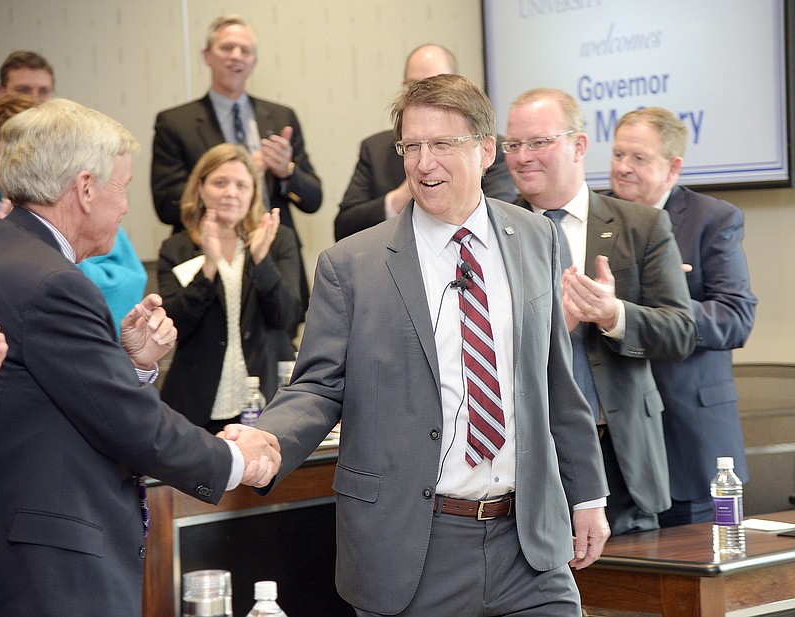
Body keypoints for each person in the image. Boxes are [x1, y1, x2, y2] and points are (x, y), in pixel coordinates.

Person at [236, 74, 610, 616]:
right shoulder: (351, 266)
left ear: (485, 151)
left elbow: (555, 381)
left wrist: (588, 497)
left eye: (441, 144)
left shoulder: (535, 237)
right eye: (411, 146)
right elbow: (317, 387)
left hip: (529, 548)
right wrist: (266, 440)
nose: (423, 162)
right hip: (413, 552)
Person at [0, 99, 279, 616]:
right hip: (52, 567)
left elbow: (51, 394)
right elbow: (129, 424)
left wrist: (131, 365)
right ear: (84, 188)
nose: (126, 207)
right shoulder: (56, 284)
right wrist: (241, 463)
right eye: (120, 187)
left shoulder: (9, 254)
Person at [504, 88, 698, 536]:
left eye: (538, 142)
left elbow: (681, 332)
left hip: (619, 455)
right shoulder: (492, 229)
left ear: (578, 145)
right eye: (513, 145)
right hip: (528, 459)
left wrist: (614, 316)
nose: (521, 157)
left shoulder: (641, 225)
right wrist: (555, 328)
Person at [610, 106, 757, 527]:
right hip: (622, 446)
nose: (623, 168)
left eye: (639, 159)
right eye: (619, 155)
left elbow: (735, 316)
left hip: (691, 441)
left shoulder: (713, 220)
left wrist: (660, 309)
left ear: (673, 167)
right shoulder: (600, 220)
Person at [152, 13, 321, 317]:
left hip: (274, 259)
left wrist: (287, 172)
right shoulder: (177, 123)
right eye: (226, 48)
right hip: (208, 261)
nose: (236, 56)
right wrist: (232, 178)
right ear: (206, 55)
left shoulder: (281, 117)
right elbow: (165, 204)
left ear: (254, 61)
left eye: (245, 50)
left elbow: (313, 199)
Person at [0, 52, 148, 330]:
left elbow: (128, 277)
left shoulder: (94, 208)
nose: (34, 100)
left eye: (43, 91)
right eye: (23, 90)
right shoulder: (56, 280)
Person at [158, 144, 302, 433]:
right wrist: (209, 266)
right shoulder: (177, 248)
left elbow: (287, 317)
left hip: (265, 400)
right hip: (196, 405)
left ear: (253, 193)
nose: (231, 193)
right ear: (200, 188)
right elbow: (174, 325)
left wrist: (262, 262)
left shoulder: (277, 240)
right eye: (220, 183)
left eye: (241, 185)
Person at [334, 43, 517, 241]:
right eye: (413, 86)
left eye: (442, 144)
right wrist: (399, 199)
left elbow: (499, 218)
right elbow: (345, 227)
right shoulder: (376, 149)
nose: (424, 163)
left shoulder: (486, 148)